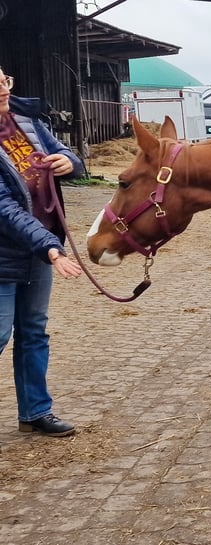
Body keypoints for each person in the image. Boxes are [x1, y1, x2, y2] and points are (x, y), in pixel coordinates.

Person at [0, 67, 84, 437]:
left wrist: (70, 162)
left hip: (39, 246)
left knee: (33, 331)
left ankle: (35, 411)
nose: (3, 90)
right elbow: (5, 208)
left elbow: (65, 154)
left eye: (4, 81)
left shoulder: (24, 120)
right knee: (0, 334)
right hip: (7, 254)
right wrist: (51, 248)